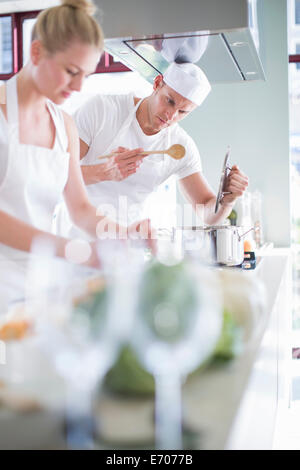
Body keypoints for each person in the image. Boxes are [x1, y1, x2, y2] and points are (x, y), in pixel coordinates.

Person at [0, 0, 152, 314]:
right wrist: (70, 250)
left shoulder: (63, 124)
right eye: (71, 71)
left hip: (35, 288)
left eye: (86, 75)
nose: (79, 86)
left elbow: (81, 208)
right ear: (37, 53)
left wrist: (123, 234)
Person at [54, 61, 249, 238]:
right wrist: (103, 172)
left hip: (127, 242)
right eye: (169, 101)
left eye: (182, 111)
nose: (170, 115)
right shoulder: (102, 110)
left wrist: (226, 201)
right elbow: (56, 173)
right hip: (76, 240)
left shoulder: (181, 147)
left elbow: (207, 211)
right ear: (157, 84)